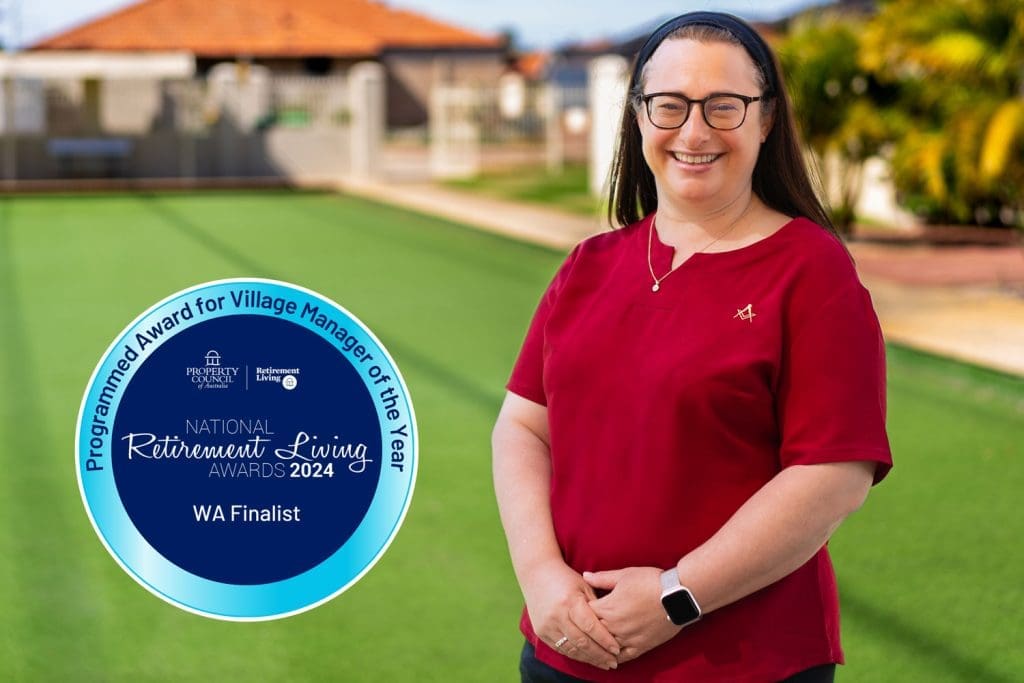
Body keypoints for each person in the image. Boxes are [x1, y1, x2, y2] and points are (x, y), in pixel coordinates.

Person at [492, 11, 893, 683]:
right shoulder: (589, 264)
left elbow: (833, 475)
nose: (694, 131)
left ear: (766, 120)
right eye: (670, 106)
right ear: (640, 117)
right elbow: (524, 424)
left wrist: (678, 596)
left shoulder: (811, 271)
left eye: (724, 107)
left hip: (742, 662)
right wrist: (541, 578)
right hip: (567, 650)